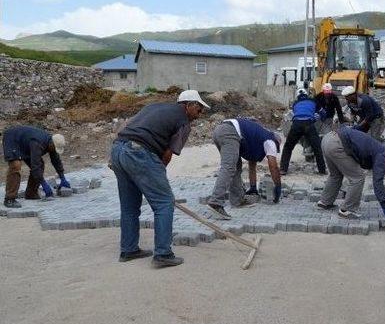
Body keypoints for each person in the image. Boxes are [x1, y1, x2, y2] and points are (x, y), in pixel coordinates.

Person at [111, 90, 208, 267]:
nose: (199, 115)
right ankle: (163, 254)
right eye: (199, 110)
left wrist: (120, 160)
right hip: (139, 152)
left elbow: (126, 127)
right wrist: (155, 178)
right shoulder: (183, 121)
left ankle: (129, 249)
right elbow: (168, 154)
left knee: (129, 206)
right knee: (164, 202)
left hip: (118, 150)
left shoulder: (153, 106)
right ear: (189, 105)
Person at [317, 125, 385, 228]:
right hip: (337, 145)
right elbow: (378, 183)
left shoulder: (377, 147)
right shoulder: (382, 155)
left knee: (335, 174)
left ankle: (324, 202)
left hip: (327, 139)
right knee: (358, 177)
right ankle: (347, 210)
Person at [208, 117, 282, 219]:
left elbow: (252, 164)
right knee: (229, 166)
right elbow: (273, 166)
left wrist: (253, 188)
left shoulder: (257, 138)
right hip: (230, 132)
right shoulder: (271, 140)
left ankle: (237, 200)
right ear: (277, 142)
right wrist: (278, 186)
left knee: (236, 167)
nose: (274, 151)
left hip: (221, 131)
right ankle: (215, 203)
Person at [2, 126, 68, 208]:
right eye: (55, 148)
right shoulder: (38, 143)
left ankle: (31, 193)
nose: (54, 150)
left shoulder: (52, 143)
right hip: (12, 139)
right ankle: (9, 199)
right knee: (16, 165)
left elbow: (56, 161)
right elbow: (35, 166)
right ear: (52, 144)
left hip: (25, 143)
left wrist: (62, 177)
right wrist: (44, 184)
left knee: (40, 164)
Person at [280, 89, 326, 175]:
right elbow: (323, 113)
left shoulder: (295, 104)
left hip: (296, 124)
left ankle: (283, 169)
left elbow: (296, 113)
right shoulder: (314, 101)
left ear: (297, 96)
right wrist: (320, 118)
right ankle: (322, 170)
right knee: (317, 148)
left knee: (288, 147)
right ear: (307, 94)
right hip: (309, 124)